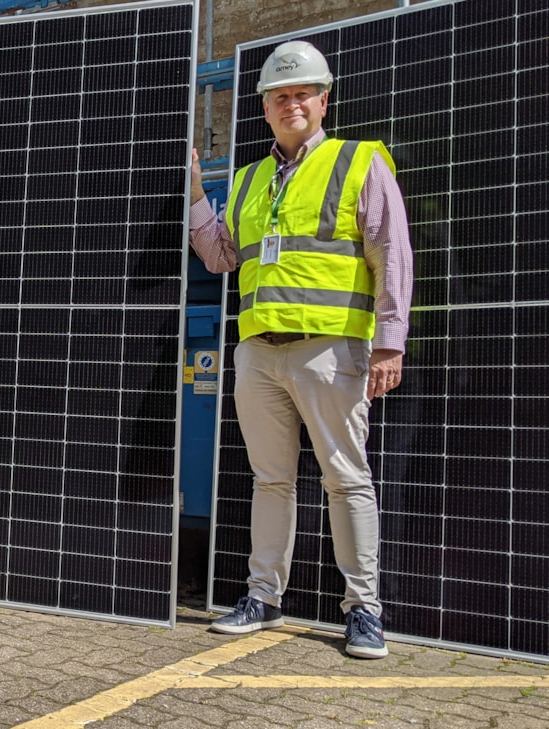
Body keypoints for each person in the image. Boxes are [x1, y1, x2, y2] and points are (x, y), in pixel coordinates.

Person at [188, 40, 413, 659]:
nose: (291, 104)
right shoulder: (249, 179)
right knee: (270, 480)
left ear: (323, 99)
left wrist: (389, 343)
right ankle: (263, 596)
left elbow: (391, 253)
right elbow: (221, 257)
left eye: (302, 93)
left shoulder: (357, 162)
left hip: (332, 350)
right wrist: (193, 195)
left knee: (346, 478)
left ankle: (364, 609)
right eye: (279, 96)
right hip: (259, 352)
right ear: (264, 108)